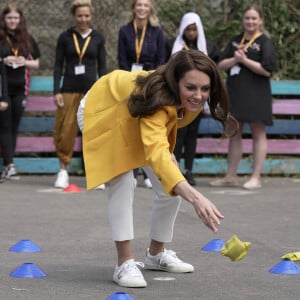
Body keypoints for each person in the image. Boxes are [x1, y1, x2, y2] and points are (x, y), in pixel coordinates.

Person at [77, 50, 237, 288]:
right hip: (101, 108)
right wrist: (196, 198)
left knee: (169, 181)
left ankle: (156, 254)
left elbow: (161, 133)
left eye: (205, 89)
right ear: (175, 82)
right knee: (123, 179)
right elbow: (156, 139)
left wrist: (167, 160)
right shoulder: (158, 98)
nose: (198, 95)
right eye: (191, 88)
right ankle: (124, 263)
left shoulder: (186, 100)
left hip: (135, 114)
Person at [210, 4, 276, 190]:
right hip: (235, 92)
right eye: (247, 18)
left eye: (254, 18)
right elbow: (220, 64)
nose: (250, 21)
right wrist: (235, 59)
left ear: (260, 20)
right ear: (243, 20)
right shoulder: (235, 40)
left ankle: (256, 177)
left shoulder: (265, 42)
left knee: (258, 132)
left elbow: (267, 70)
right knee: (234, 133)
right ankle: (230, 176)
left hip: (257, 93)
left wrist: (244, 60)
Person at [53, 0, 107, 189]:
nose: (83, 19)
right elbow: (58, 65)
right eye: (79, 16)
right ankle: (63, 170)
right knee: (66, 130)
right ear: (74, 17)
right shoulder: (65, 37)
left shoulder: (98, 38)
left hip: (91, 91)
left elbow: (103, 67)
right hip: (68, 89)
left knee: (93, 131)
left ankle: (96, 173)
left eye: (86, 16)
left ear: (91, 17)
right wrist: (56, 91)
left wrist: (105, 91)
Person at [165, 12, 220, 186]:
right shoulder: (172, 45)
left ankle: (188, 170)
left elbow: (214, 71)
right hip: (179, 98)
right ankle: (175, 168)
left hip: (197, 100)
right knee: (177, 133)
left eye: (194, 29)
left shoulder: (207, 47)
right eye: (188, 29)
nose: (191, 33)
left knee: (191, 135)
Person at [117, 0, 166, 189]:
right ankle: (132, 170)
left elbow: (161, 59)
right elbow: (121, 57)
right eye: (139, 5)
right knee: (130, 124)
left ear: (150, 9)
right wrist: (128, 80)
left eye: (146, 5)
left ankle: (147, 172)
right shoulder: (124, 31)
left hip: (150, 83)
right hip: (129, 81)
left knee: (147, 124)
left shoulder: (157, 31)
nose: (142, 9)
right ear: (133, 8)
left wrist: (152, 81)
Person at [0, 3, 40, 180]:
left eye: (15, 18)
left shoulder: (27, 38)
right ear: (4, 19)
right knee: (4, 126)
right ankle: (9, 165)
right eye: (9, 18)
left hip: (21, 87)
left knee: (14, 127)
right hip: (3, 88)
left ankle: (9, 164)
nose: (12, 21)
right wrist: (4, 59)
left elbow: (37, 63)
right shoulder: (1, 39)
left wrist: (24, 61)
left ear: (20, 19)